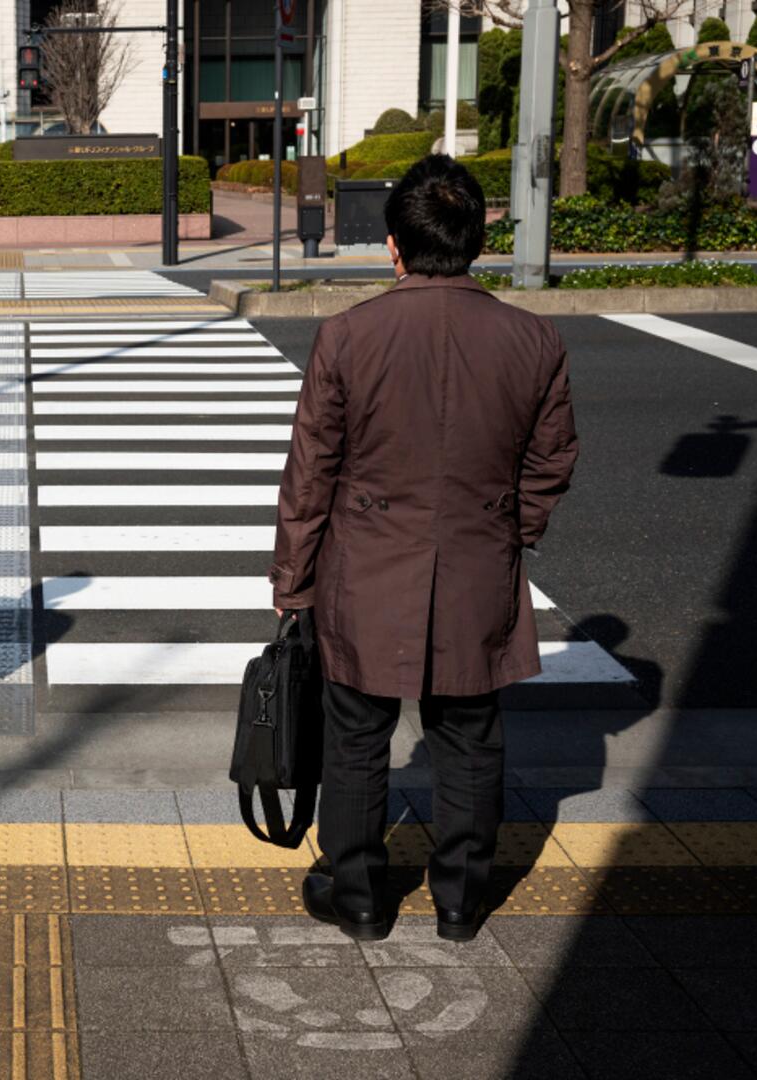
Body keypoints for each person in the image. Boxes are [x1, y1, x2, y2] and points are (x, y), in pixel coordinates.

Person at [269, 155, 577, 943]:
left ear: (394, 246)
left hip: (365, 569)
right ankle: (461, 901)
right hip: (479, 562)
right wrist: (512, 530)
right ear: (477, 241)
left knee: (356, 735)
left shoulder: (348, 336)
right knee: (470, 736)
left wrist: (293, 583)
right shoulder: (533, 340)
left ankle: (360, 896)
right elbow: (550, 460)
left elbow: (312, 474)